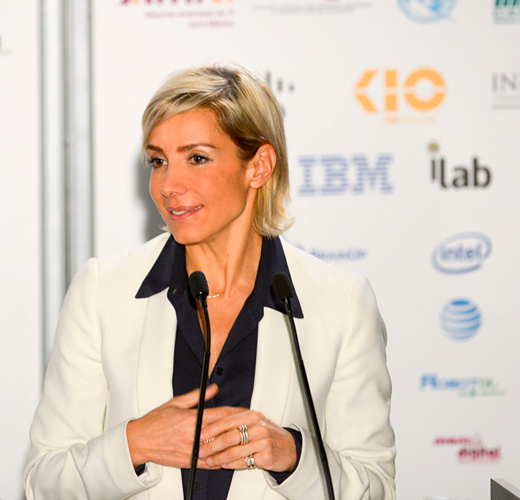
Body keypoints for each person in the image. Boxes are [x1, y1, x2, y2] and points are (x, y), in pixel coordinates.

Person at [24, 64, 396, 500]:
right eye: (158, 161)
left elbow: (377, 488)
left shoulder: (342, 303)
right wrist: (135, 443)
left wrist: (295, 457)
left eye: (196, 158)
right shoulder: (102, 292)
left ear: (259, 166)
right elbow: (43, 483)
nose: (168, 185)